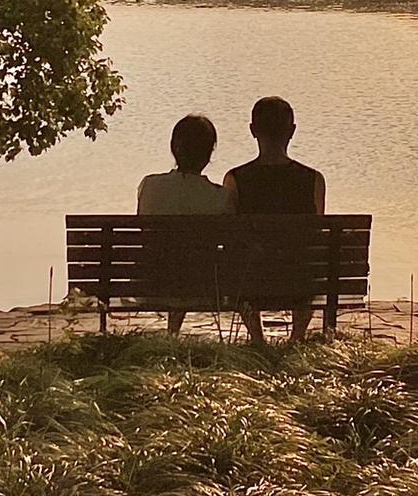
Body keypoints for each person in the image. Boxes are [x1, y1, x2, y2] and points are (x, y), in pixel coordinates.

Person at [224, 96, 326, 343]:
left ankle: (258, 339)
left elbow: (230, 236)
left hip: (251, 282)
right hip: (299, 282)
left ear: (252, 131)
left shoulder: (235, 179)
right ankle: (296, 337)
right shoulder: (313, 180)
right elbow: (316, 238)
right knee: (311, 260)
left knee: (238, 258)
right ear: (292, 131)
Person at [138, 114, 230, 334]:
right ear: (209, 154)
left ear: (173, 148)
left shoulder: (150, 187)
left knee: (172, 255)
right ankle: (173, 332)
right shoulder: (220, 198)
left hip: (152, 285)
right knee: (189, 260)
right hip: (204, 287)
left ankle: (173, 333)